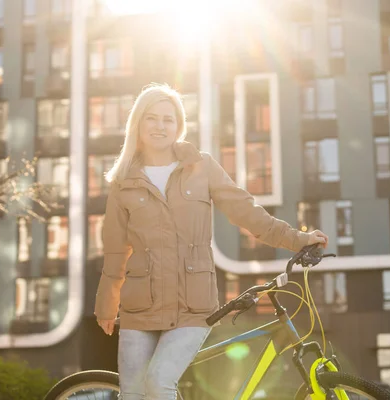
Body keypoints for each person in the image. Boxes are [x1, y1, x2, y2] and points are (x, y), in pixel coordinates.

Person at [94, 83, 329, 400]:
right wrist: (107, 305)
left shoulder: (200, 166)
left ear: (179, 125)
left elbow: (246, 211)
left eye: (169, 119)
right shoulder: (123, 182)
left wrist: (298, 239)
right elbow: (115, 249)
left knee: (158, 383)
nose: (160, 126)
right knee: (132, 394)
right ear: (138, 123)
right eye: (152, 118)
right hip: (140, 307)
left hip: (194, 305)